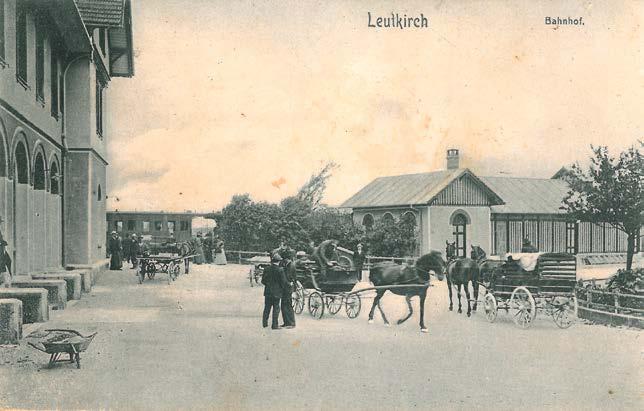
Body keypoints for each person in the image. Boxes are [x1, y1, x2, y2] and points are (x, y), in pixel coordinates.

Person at [262, 253, 289, 330]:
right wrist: (281, 288)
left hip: (267, 292)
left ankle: (264, 323)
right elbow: (283, 282)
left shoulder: (266, 269)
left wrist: (268, 285)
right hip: (277, 293)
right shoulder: (280, 270)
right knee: (276, 308)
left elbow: (263, 281)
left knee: (267, 307)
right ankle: (274, 325)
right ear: (279, 261)